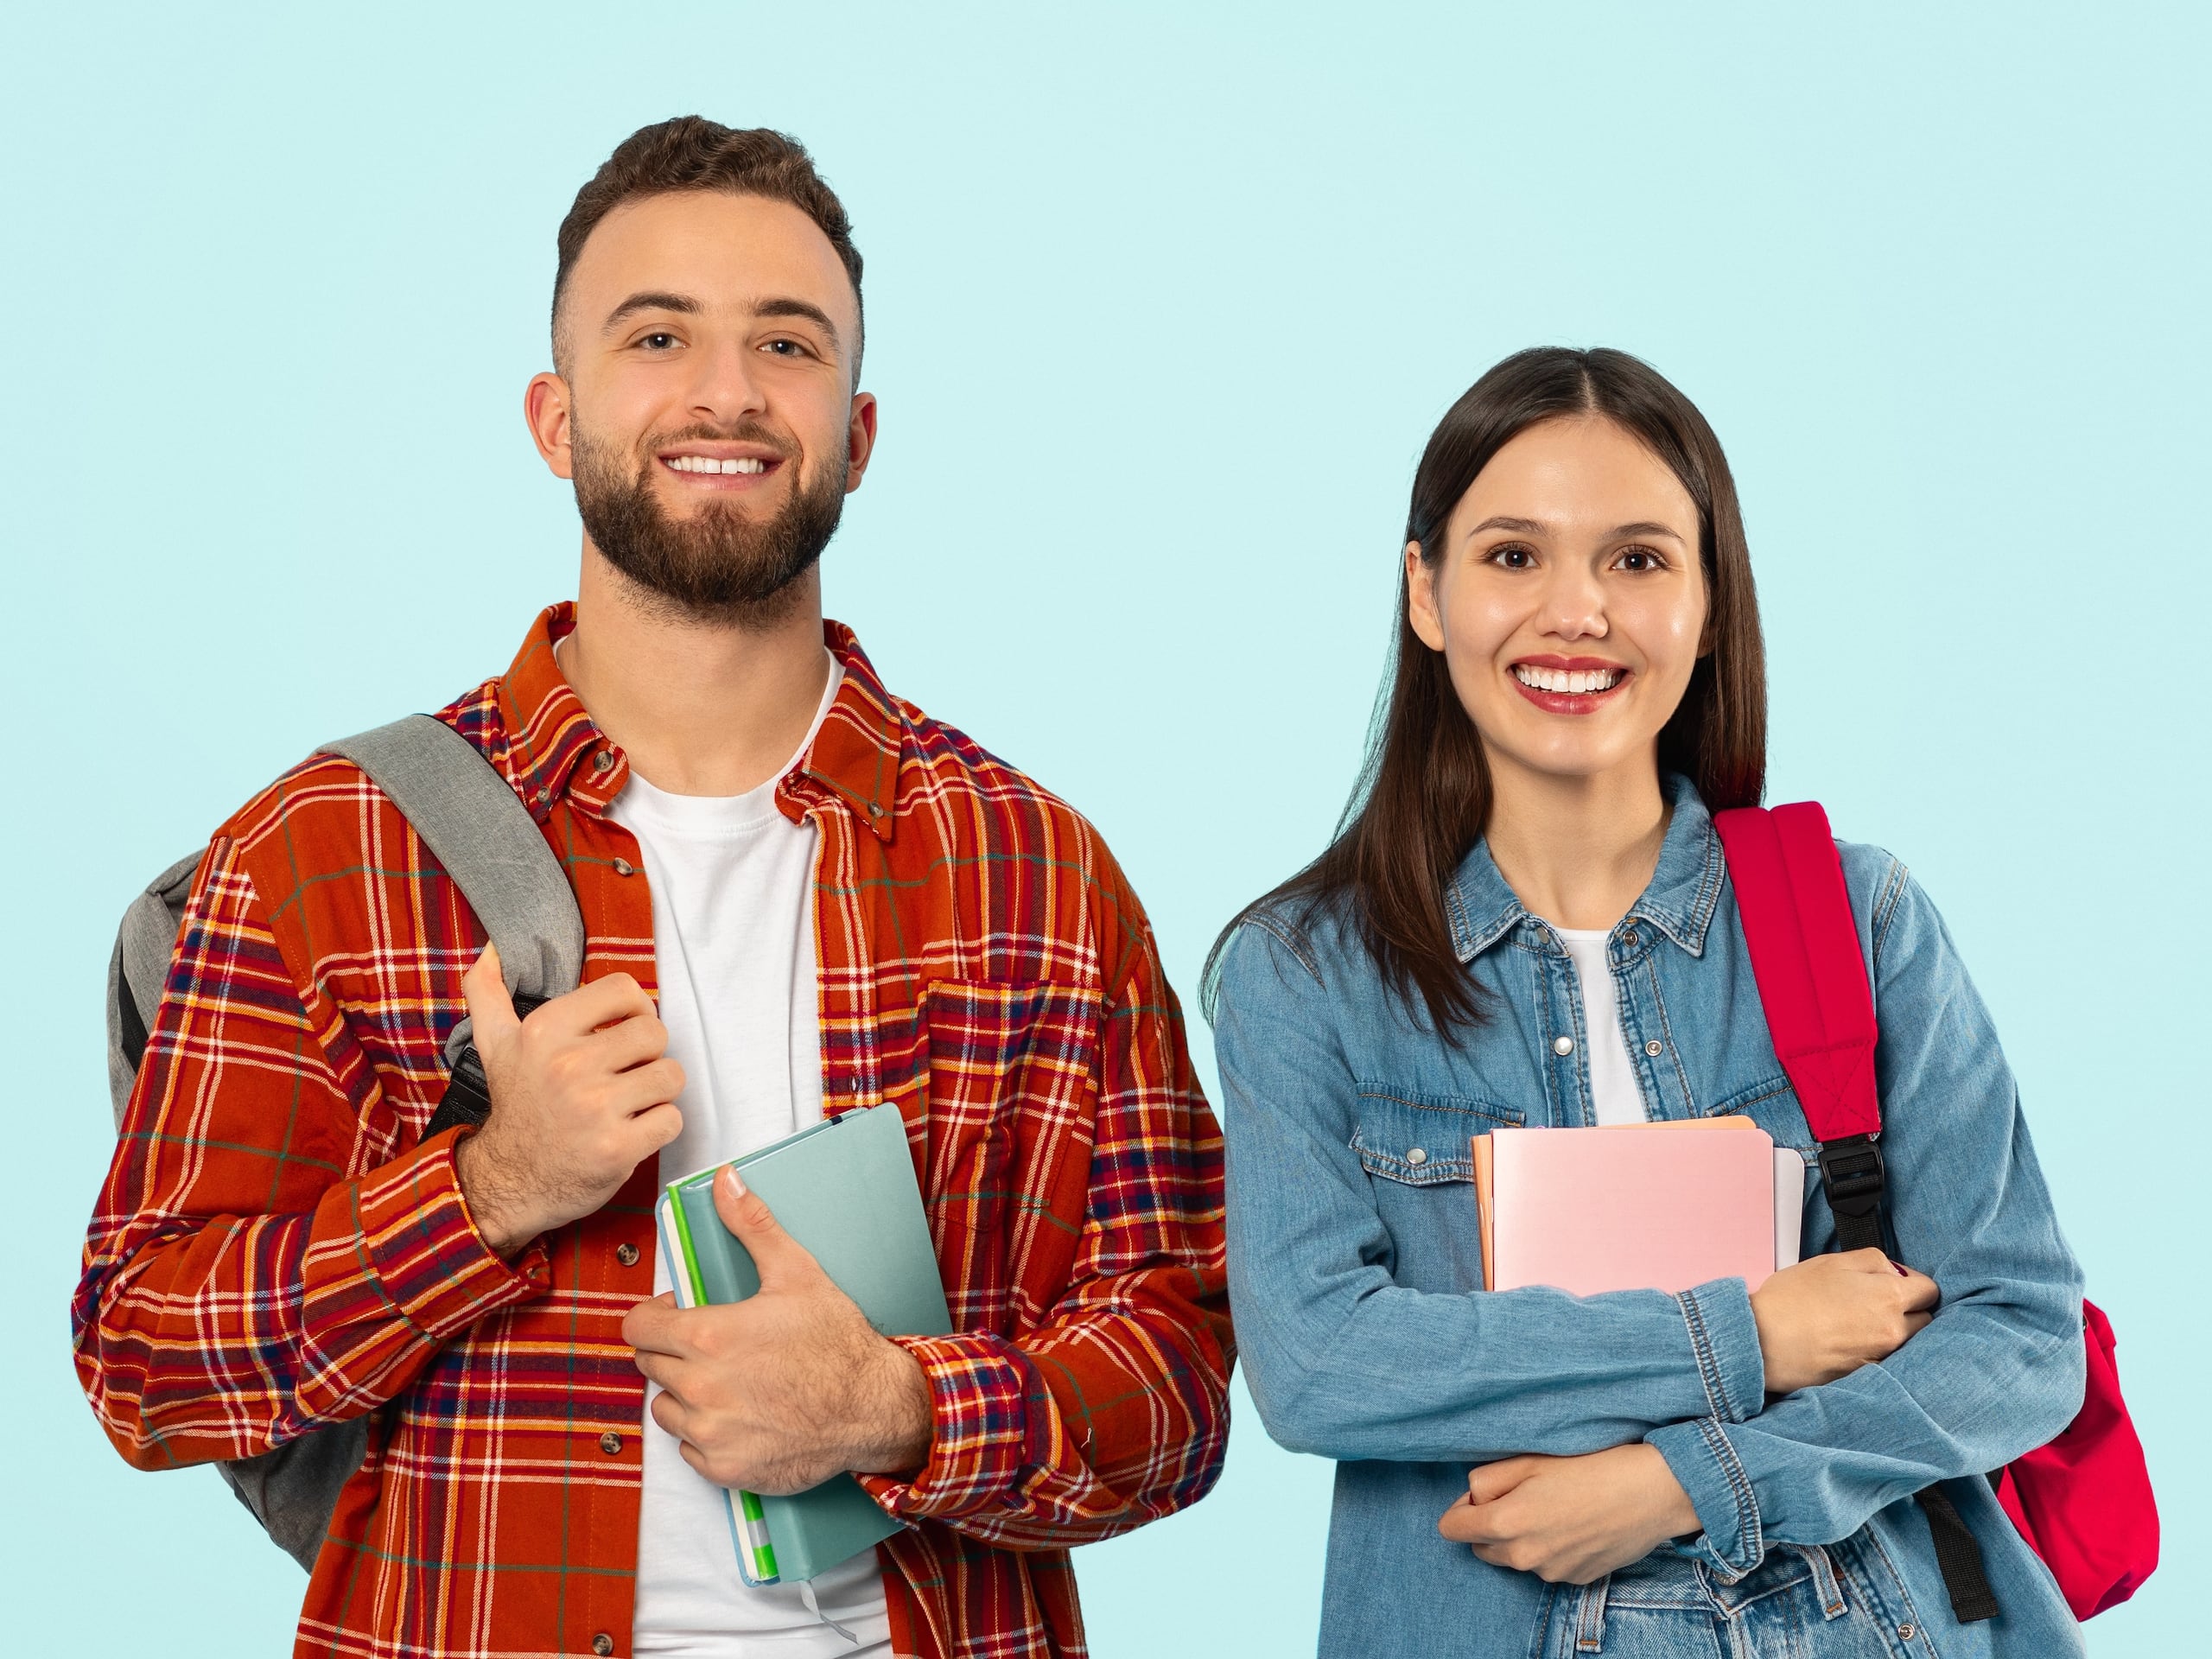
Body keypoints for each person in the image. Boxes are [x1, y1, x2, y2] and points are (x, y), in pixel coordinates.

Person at [73, 117, 1230, 1659]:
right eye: (659, 335)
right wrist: (487, 1192)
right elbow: (145, 1363)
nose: (727, 392)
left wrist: (898, 1406)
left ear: (858, 433)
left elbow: (1181, 1381)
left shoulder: (1034, 874)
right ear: (555, 419)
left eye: (787, 342)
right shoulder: (327, 852)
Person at [1207, 347, 2087, 1656]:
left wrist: (1691, 1483)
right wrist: (1746, 1340)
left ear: (1711, 604)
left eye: (1637, 560)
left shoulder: (1857, 917)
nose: (1576, 613)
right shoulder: (1304, 973)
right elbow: (1320, 1362)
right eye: (1514, 556)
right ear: (1427, 593)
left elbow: (2021, 1337)